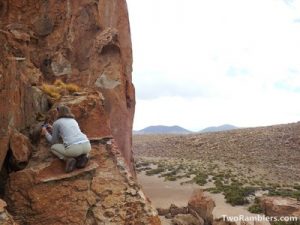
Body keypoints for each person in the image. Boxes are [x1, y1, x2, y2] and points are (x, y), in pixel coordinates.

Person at [41, 105, 91, 173]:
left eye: (57, 112)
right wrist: (53, 129)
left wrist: (46, 133)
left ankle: (68, 159)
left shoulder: (57, 122)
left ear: (59, 112)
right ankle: (83, 157)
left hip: (74, 149)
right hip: (87, 146)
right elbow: (67, 132)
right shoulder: (73, 120)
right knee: (79, 149)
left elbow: (54, 141)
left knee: (53, 147)